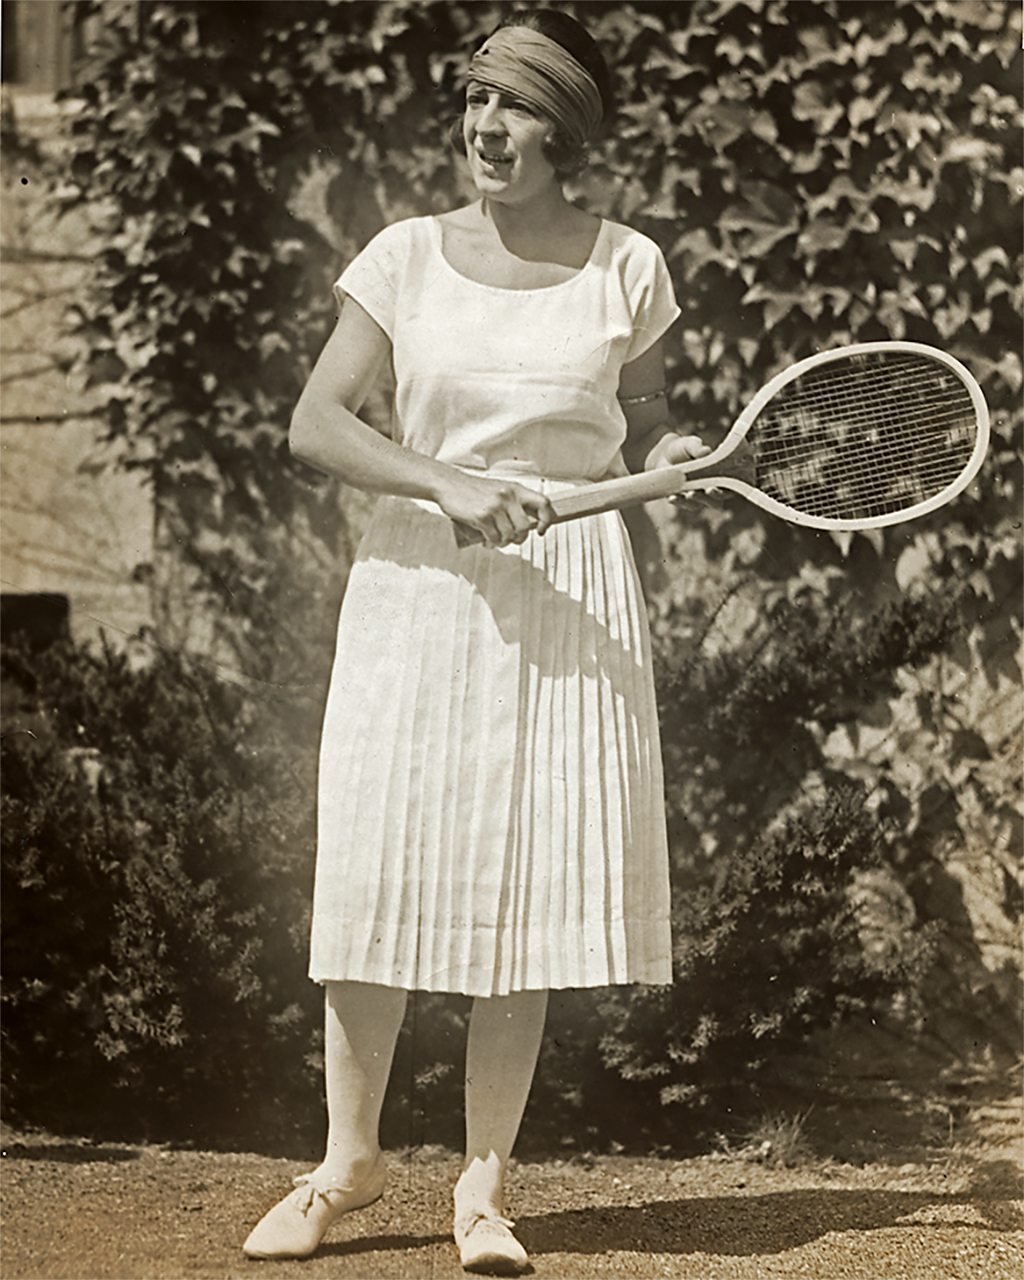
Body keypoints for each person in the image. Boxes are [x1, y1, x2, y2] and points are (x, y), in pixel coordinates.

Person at [242, 9, 709, 1275]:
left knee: (528, 880)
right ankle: (346, 1163)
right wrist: (445, 482)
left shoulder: (627, 266)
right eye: (474, 102)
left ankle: (484, 1187)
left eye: (515, 108)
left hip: (568, 595)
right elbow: (317, 425)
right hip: (420, 591)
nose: (485, 129)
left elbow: (651, 422)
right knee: (381, 860)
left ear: (565, 130)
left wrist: (672, 456)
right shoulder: (402, 255)